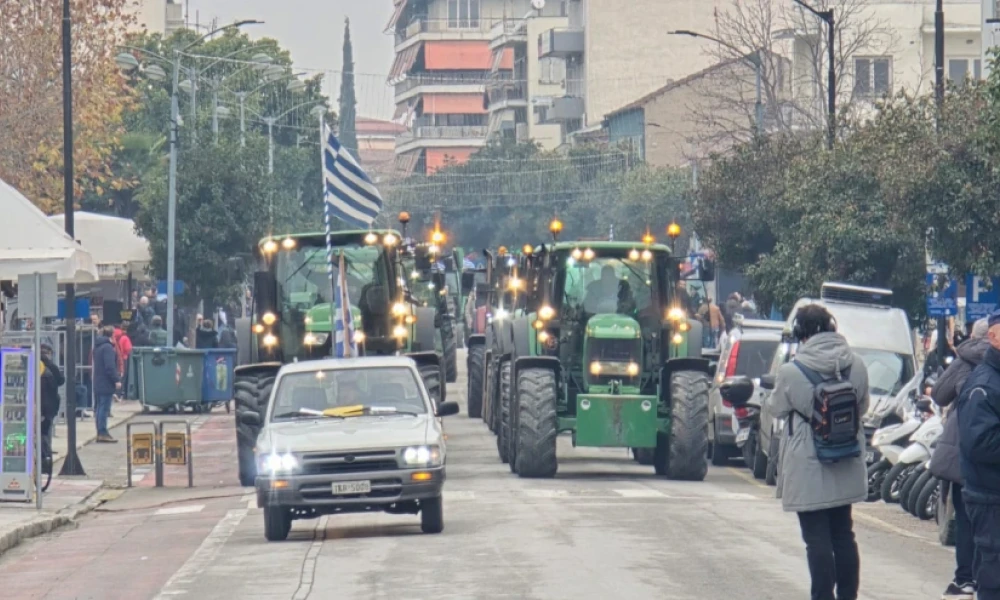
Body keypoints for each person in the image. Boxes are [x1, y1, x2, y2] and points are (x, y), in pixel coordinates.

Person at [768, 304, 869, 600]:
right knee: (843, 535)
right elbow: (861, 408)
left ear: (800, 333)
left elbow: (775, 408)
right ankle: (848, 596)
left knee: (817, 541)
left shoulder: (791, 371)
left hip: (808, 465)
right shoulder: (857, 365)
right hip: (847, 459)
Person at [931, 317, 988, 600]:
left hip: (962, 447)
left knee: (966, 518)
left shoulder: (965, 360)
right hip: (990, 452)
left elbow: (939, 394)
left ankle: (966, 579)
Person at [957, 310, 1000, 600]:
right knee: (993, 580)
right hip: (990, 499)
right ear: (994, 336)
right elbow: (980, 441)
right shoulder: (984, 385)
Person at [92, 325, 120, 443]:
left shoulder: (97, 347)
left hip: (98, 380)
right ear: (112, 335)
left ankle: (100, 431)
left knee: (99, 407)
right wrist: (116, 380)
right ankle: (103, 432)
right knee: (104, 407)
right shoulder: (108, 348)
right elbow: (110, 366)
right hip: (105, 381)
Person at [39, 343, 64, 457]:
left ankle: (44, 449)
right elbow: (60, 380)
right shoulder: (51, 366)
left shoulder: (34, 364)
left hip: (40, 402)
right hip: (50, 402)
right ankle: (46, 450)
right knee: (46, 428)